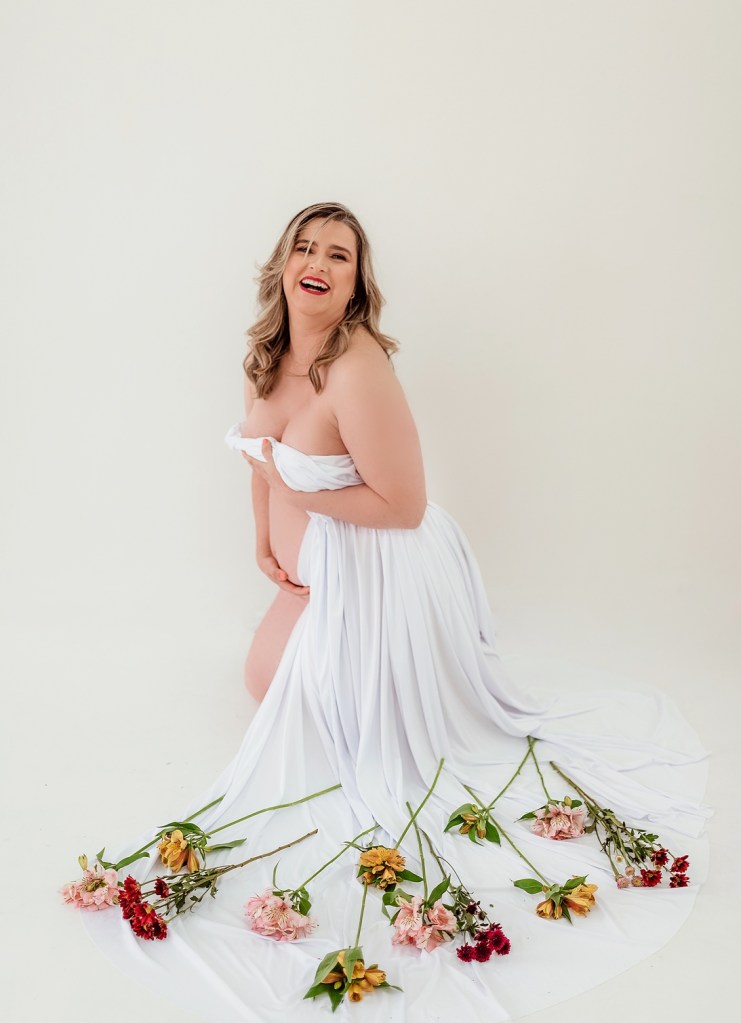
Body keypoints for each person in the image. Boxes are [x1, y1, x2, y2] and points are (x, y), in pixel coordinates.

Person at [77, 202, 709, 1023]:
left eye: (337, 255)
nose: (317, 262)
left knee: (331, 731)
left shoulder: (357, 366)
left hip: (384, 571)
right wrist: (262, 538)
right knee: (264, 684)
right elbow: (258, 459)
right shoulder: (264, 357)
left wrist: (299, 494)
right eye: (304, 247)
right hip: (315, 572)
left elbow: (403, 506)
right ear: (281, 266)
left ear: (355, 284)